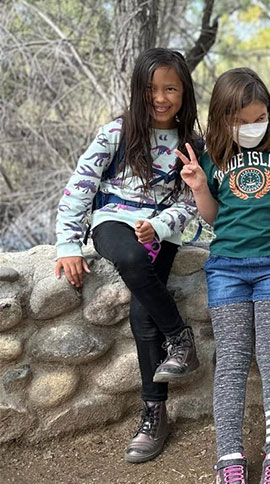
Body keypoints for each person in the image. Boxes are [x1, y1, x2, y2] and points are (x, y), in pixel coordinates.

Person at [54, 48, 202, 463]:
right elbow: (80, 185)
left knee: (142, 313)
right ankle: (180, 337)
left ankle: (154, 413)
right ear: (138, 91)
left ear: (184, 91)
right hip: (113, 221)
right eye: (152, 89)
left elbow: (192, 201)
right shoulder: (116, 133)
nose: (161, 97)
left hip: (161, 229)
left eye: (170, 88)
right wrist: (68, 244)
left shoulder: (192, 141)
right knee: (133, 260)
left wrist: (161, 225)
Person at [177, 67, 270, 484]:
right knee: (232, 363)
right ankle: (229, 459)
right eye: (242, 121)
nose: (252, 127)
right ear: (222, 118)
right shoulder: (213, 158)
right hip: (227, 269)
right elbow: (214, 217)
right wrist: (200, 186)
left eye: (260, 118)